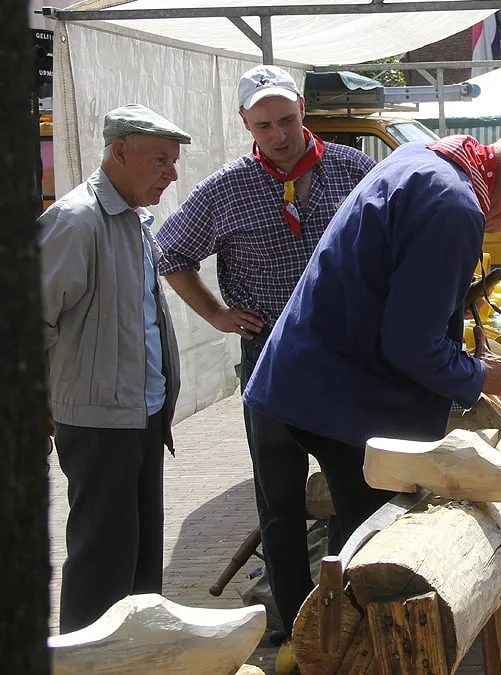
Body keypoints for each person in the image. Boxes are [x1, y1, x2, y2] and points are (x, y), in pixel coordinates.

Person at [243, 120, 501, 611]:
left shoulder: (427, 158)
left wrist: (449, 308)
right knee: (379, 563)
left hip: (303, 378)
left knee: (343, 549)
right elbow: (411, 345)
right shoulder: (454, 204)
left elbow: (385, 282)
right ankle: (346, 651)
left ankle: (313, 642)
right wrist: (477, 375)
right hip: (341, 396)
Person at [156, 65, 376, 642]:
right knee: (279, 501)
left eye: (285, 120)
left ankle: (347, 609)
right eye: (264, 126)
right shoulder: (226, 187)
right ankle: (292, 622)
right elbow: (170, 252)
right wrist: (216, 314)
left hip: (341, 359)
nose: (278, 135)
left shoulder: (355, 171)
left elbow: (392, 245)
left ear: (303, 109)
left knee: (356, 489)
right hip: (270, 359)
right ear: (245, 124)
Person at [40, 104, 189, 631]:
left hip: (141, 417)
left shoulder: (134, 220)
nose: (171, 174)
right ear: (118, 153)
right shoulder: (77, 220)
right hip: (99, 422)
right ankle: (86, 661)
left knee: (141, 563)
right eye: (160, 161)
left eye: (173, 162)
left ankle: (133, 657)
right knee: (103, 564)